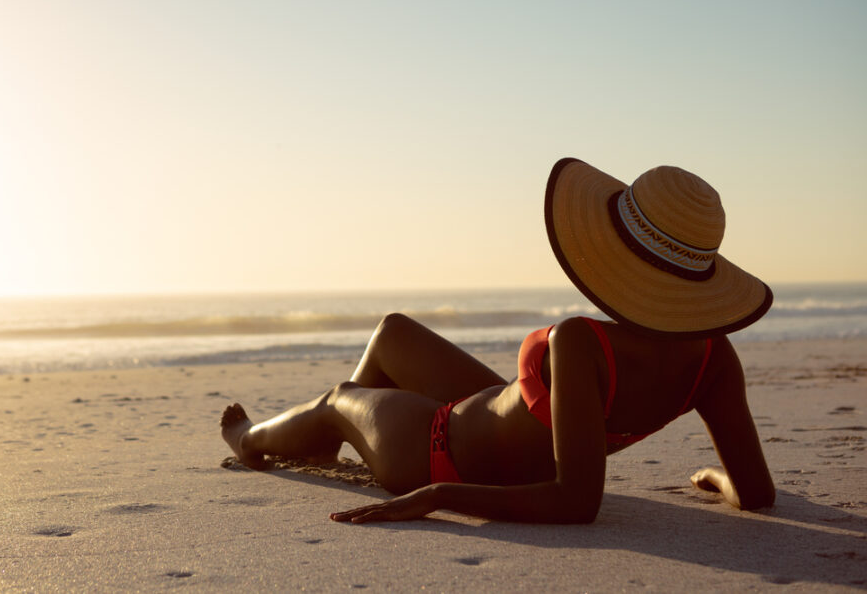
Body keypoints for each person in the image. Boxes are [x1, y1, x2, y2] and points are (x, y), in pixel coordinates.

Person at [220, 158, 776, 524]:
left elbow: (578, 501)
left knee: (337, 396)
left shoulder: (582, 342)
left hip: (438, 454)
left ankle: (256, 440)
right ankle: (333, 442)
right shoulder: (715, 360)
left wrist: (440, 496)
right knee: (393, 332)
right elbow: (756, 494)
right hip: (504, 426)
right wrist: (716, 477)